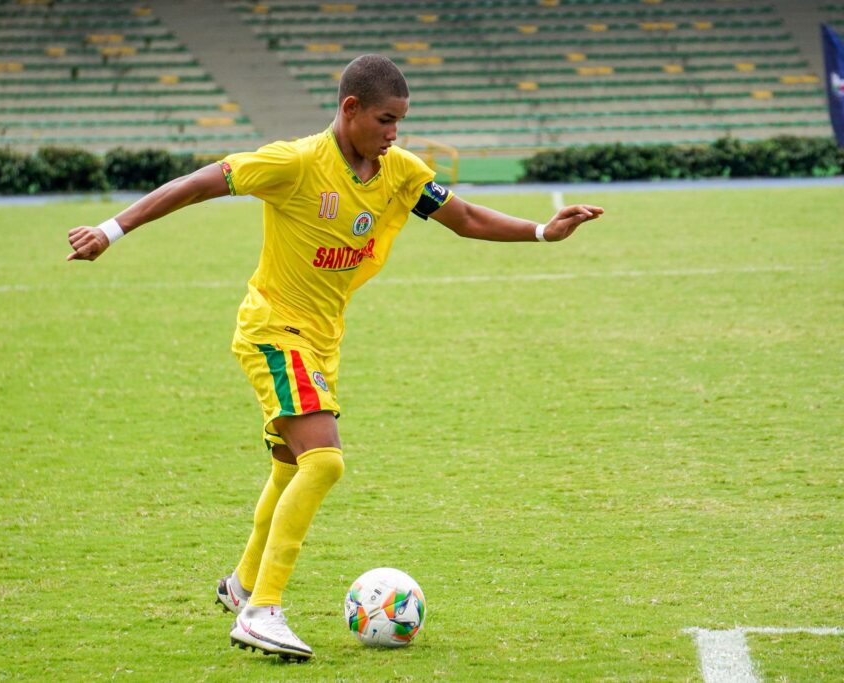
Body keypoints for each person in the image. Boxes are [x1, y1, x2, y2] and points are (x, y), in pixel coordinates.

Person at [67, 54, 603, 661]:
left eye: (400, 120)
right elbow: (198, 184)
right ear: (350, 110)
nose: (394, 133)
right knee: (324, 462)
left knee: (292, 467)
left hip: (323, 340)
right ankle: (261, 610)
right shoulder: (294, 162)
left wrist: (541, 232)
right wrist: (111, 230)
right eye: (385, 120)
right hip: (274, 329)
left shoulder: (400, 172)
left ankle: (241, 582)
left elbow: (466, 217)